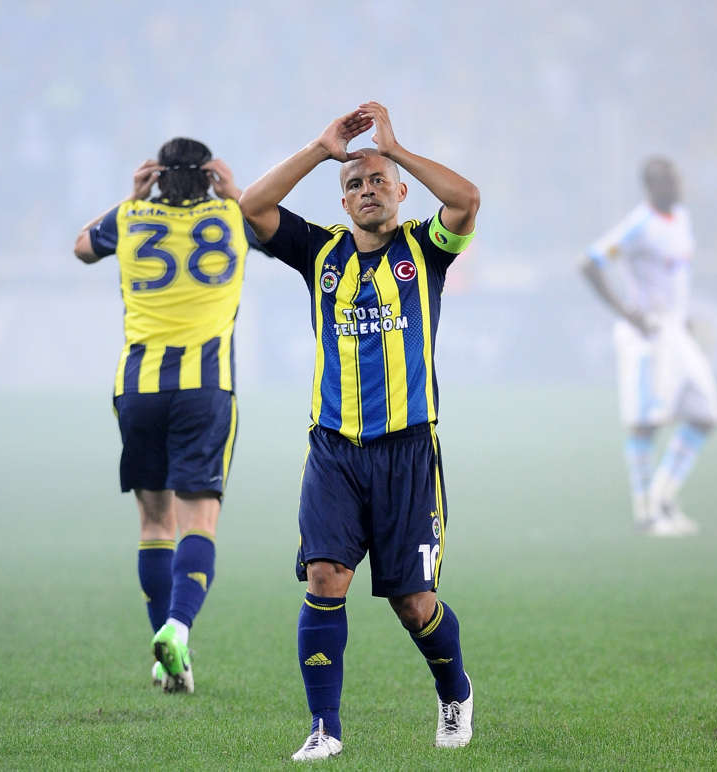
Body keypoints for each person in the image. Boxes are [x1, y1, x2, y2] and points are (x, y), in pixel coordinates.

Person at [239, 102, 480, 759]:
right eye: (355, 184)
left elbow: (466, 200)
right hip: (334, 452)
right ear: (342, 203)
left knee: (415, 605)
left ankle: (454, 692)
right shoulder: (319, 252)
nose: (367, 189)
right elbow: (252, 208)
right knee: (324, 577)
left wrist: (394, 150)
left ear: (400, 193)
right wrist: (321, 150)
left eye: (378, 181)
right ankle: (325, 728)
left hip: (408, 453)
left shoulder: (425, 250)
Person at [74, 138, 271, 692]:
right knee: (199, 523)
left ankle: (168, 664)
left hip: (138, 388)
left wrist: (131, 197)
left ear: (156, 175)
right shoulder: (234, 216)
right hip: (205, 388)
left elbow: (82, 246)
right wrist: (235, 192)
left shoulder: (130, 217)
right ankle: (178, 630)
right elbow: (272, 229)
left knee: (155, 525)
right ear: (210, 176)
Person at [581, 157, 717, 537]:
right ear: (650, 186)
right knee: (645, 423)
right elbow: (591, 263)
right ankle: (647, 513)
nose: (678, 187)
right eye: (669, 182)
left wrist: (683, 315)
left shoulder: (681, 218)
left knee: (706, 414)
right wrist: (628, 314)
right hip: (648, 333)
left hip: (676, 330)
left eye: (678, 180)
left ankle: (662, 497)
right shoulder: (639, 225)